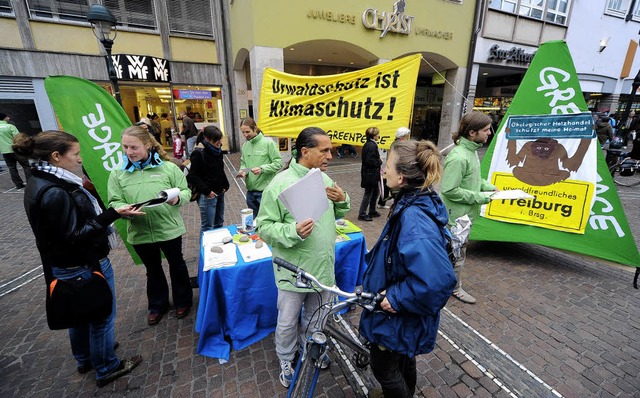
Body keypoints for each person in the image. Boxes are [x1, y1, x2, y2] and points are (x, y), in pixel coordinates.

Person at [14, 130, 143, 387]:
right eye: (75, 154)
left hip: (65, 264)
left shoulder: (40, 180)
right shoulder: (54, 191)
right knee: (102, 316)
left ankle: (85, 357)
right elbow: (74, 235)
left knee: (80, 314)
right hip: (82, 264)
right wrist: (111, 215)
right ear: (56, 156)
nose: (80, 159)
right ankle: (106, 365)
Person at [359, 139, 456, 398]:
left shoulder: (414, 219)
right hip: (401, 314)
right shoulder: (410, 201)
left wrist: (398, 297)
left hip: (397, 312)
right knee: (403, 358)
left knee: (384, 369)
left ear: (401, 177)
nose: (383, 169)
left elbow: (439, 281)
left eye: (387, 165)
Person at [255, 127, 350, 388]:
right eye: (325, 150)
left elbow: (341, 209)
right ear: (305, 151)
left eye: (331, 150)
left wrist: (343, 199)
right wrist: (291, 231)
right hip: (293, 270)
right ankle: (287, 359)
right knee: (287, 322)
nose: (330, 155)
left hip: (322, 267)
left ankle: (312, 350)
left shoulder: (325, 179)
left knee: (317, 315)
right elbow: (263, 227)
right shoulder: (279, 184)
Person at [108, 126, 193, 326]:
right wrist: (123, 209)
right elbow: (114, 200)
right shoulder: (118, 174)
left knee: (177, 265)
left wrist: (177, 198)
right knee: (152, 269)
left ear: (147, 145)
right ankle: (157, 305)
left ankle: (183, 300)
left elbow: (186, 191)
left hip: (169, 228)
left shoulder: (168, 167)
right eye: (125, 147)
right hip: (140, 232)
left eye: (134, 147)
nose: (129, 152)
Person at [440, 111, 497, 304]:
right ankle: (453, 288)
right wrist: (480, 197)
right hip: (456, 218)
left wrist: (488, 187)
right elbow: (449, 190)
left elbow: (472, 179)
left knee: (455, 253)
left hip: (463, 216)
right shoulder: (459, 157)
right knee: (456, 254)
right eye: (486, 129)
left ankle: (447, 284)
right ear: (472, 133)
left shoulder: (470, 151)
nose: (489, 132)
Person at [236, 117, 283, 217]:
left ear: (255, 129)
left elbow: (278, 163)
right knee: (253, 224)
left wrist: (262, 169)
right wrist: (243, 171)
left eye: (247, 131)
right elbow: (244, 162)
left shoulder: (268, 143)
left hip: (265, 192)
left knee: (267, 221)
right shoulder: (245, 145)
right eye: (243, 132)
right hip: (250, 193)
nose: (245, 135)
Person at [187, 125, 230, 235]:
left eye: (219, 139)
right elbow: (193, 175)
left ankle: (218, 247)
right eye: (216, 139)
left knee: (219, 223)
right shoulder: (199, 153)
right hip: (207, 195)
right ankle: (206, 249)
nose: (219, 142)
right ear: (207, 138)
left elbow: (220, 170)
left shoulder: (218, 151)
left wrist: (226, 185)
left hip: (220, 191)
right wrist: (207, 192)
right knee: (208, 227)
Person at [378, 127, 411, 209]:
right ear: (402, 136)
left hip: (394, 168)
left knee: (389, 186)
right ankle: (395, 204)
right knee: (395, 187)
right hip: (395, 168)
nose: (407, 138)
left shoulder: (396, 144)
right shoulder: (398, 145)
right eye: (406, 136)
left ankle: (382, 202)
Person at [0, 112, 31, 189]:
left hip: (4, 151)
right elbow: (19, 138)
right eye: (7, 117)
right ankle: (30, 182)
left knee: (11, 168)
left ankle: (18, 184)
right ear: (4, 118)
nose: (9, 118)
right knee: (26, 165)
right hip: (16, 150)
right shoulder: (10, 126)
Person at [358, 127, 382, 222]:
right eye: (377, 134)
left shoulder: (368, 144)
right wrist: (379, 161)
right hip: (370, 173)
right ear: (374, 135)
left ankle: (372, 210)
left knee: (375, 191)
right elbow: (370, 160)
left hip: (370, 173)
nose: (379, 136)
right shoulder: (372, 146)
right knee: (368, 193)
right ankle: (362, 213)